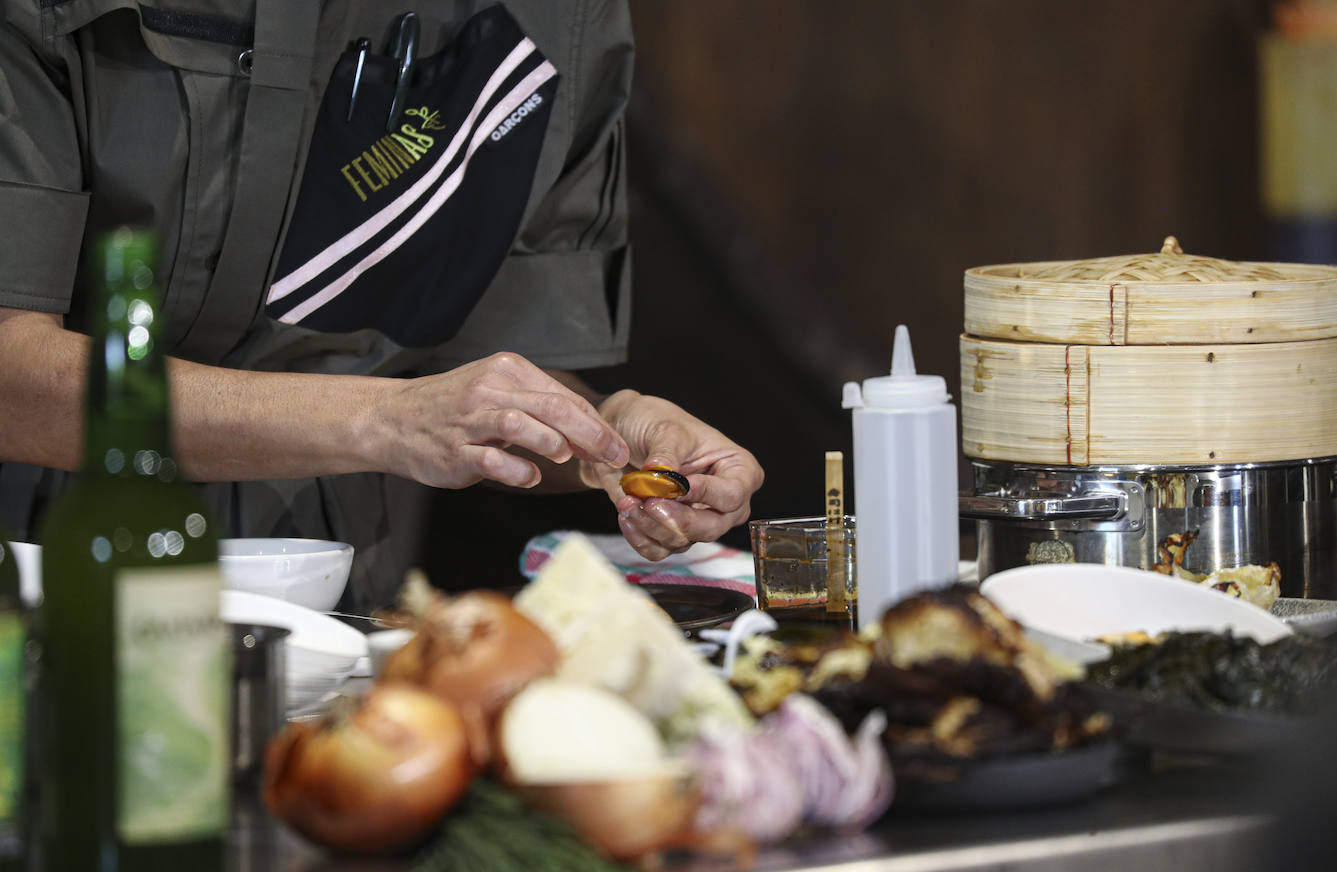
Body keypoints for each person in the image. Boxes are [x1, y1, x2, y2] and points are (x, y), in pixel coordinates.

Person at [0, 0, 764, 610]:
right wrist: (386, 419)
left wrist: (606, 430)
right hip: (44, 579)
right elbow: (10, 373)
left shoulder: (565, 20)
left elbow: (472, 379)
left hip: (340, 604)